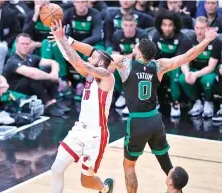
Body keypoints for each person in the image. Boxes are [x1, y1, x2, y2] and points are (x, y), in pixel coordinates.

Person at [58, 23, 218, 192]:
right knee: (164, 160)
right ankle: (175, 189)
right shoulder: (159, 66)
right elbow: (187, 56)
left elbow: (94, 54)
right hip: (155, 120)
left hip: (138, 123)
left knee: (129, 166)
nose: (133, 47)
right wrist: (206, 40)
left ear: (139, 52)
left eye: (136, 47)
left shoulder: (124, 63)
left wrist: (68, 40)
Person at [49, 21, 115, 193]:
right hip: (79, 130)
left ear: (101, 64)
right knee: (56, 169)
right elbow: (71, 60)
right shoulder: (90, 75)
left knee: (85, 182)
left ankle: (105, 189)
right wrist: (60, 40)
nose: (89, 58)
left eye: (93, 57)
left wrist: (62, 39)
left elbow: (78, 62)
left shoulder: (107, 77)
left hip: (96, 135)